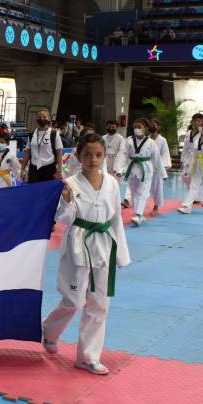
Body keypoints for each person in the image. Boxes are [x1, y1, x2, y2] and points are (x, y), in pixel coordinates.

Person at [41, 133, 130, 375]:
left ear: (104, 156)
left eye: (98, 155)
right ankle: (49, 330)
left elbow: (115, 219)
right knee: (74, 301)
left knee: (100, 303)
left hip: (104, 244)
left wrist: (121, 254)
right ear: (79, 156)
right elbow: (64, 220)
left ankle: (88, 357)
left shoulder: (111, 182)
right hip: (78, 243)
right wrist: (67, 203)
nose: (93, 159)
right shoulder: (70, 183)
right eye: (88, 155)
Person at [117, 118, 163, 226]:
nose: (137, 129)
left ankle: (138, 214)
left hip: (145, 169)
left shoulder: (151, 143)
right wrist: (119, 169)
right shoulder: (129, 141)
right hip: (132, 168)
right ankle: (138, 215)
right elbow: (123, 155)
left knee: (142, 192)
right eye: (135, 127)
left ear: (145, 128)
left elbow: (157, 159)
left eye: (139, 127)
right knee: (134, 192)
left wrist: (162, 173)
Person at [21, 108, 63, 184]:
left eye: (44, 117)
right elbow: (27, 152)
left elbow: (59, 153)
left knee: (48, 193)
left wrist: (59, 171)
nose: (42, 119)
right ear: (36, 119)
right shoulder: (32, 134)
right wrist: (22, 169)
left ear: (49, 119)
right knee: (33, 191)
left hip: (49, 168)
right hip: (34, 168)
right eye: (39, 117)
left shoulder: (54, 133)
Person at [178, 113, 203, 206]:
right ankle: (194, 196)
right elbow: (185, 147)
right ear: (192, 121)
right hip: (188, 158)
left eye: (199, 121)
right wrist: (182, 158)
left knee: (196, 178)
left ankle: (195, 197)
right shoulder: (188, 133)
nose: (196, 123)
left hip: (198, 158)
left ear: (201, 122)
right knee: (185, 177)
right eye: (195, 121)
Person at [148, 119, 172, 216]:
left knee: (157, 188)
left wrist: (165, 167)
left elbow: (165, 154)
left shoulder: (162, 140)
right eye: (151, 124)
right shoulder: (146, 139)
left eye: (154, 125)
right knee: (142, 188)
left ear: (159, 127)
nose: (152, 126)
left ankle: (156, 207)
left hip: (158, 167)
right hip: (146, 166)